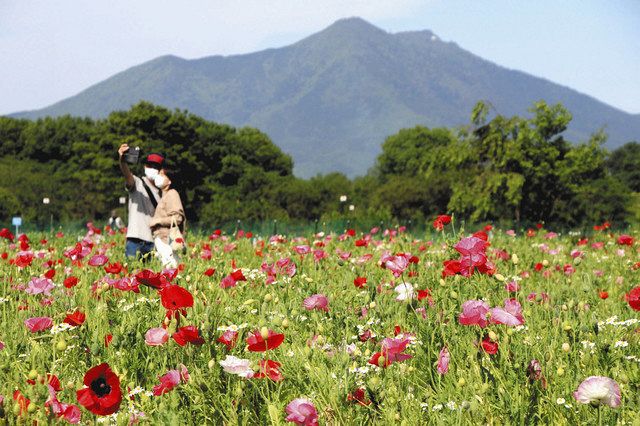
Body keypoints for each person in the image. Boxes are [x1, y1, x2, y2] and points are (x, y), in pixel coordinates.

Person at [117, 143, 163, 260]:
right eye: (150, 165)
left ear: (161, 170)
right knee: (132, 275)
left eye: (156, 166)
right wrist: (122, 160)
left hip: (153, 242)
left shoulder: (162, 193)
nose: (152, 168)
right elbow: (127, 174)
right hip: (135, 239)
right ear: (145, 167)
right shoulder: (137, 183)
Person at [149, 170, 185, 268]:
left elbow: (178, 218)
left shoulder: (172, 193)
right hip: (163, 239)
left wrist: (157, 221)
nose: (158, 176)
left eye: (162, 175)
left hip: (168, 240)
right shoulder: (164, 196)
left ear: (169, 181)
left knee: (170, 268)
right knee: (167, 268)